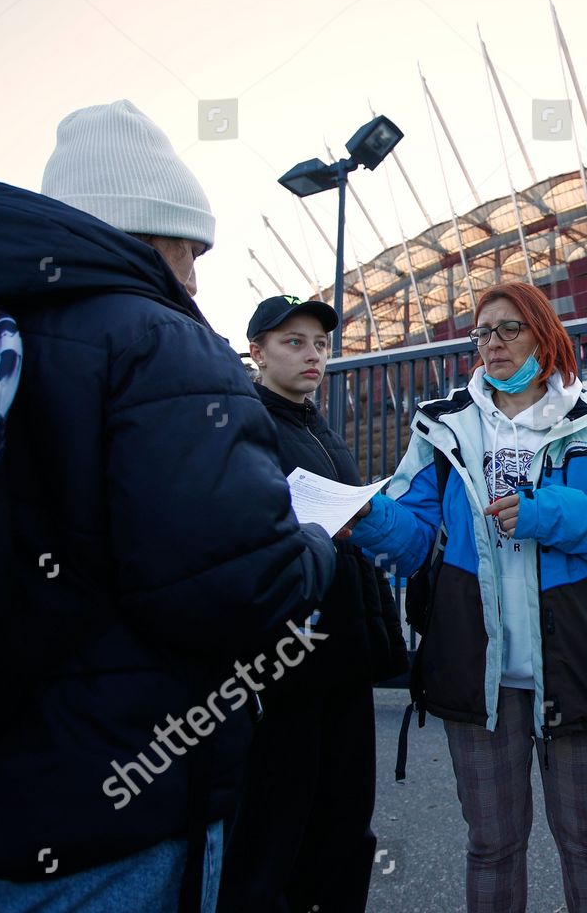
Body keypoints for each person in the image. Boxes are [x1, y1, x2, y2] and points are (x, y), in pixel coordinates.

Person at [0, 100, 336, 913]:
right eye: (189, 249)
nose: (192, 277)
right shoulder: (153, 336)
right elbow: (234, 589)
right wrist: (316, 546)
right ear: (152, 235)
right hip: (86, 821)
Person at [347, 281, 587, 913]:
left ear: (544, 335)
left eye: (509, 329)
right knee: (491, 846)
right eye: (483, 332)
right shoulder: (440, 429)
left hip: (575, 672)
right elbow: (411, 544)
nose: (493, 343)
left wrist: (545, 513)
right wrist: (368, 519)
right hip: (475, 674)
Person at [218, 296, 408, 913]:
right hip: (287, 660)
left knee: (347, 816)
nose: (313, 355)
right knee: (278, 825)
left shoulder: (315, 426)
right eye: (293, 342)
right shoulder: (248, 423)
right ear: (258, 352)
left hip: (342, 655)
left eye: (320, 345)